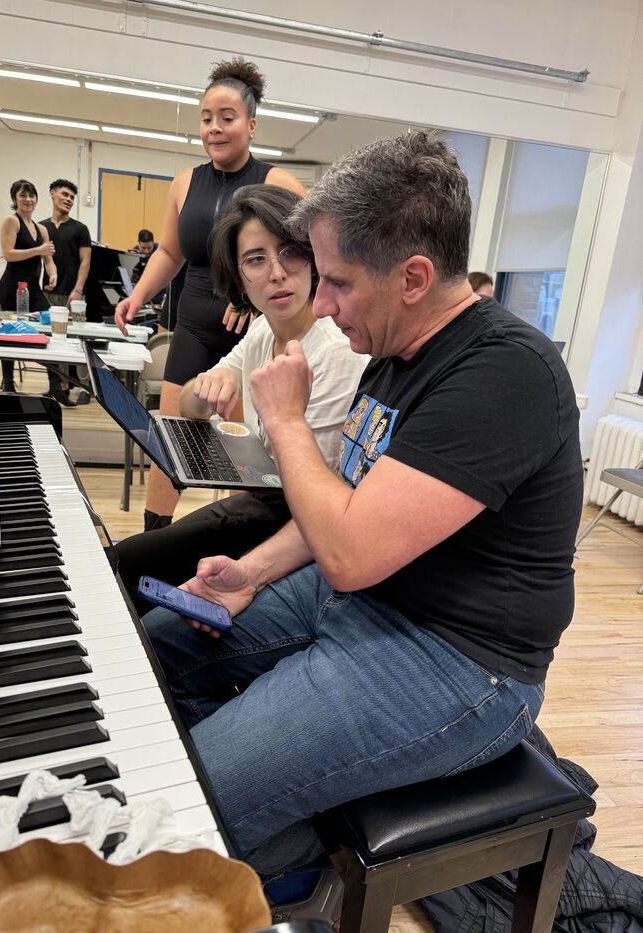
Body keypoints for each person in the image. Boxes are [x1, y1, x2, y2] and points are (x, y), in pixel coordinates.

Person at [141, 131, 584, 876]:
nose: (320, 302)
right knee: (163, 642)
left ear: (413, 276)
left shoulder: (505, 373)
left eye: (337, 281)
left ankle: (291, 876)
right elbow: (344, 505)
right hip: (370, 599)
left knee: (200, 796)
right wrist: (251, 574)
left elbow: (350, 554)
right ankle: (257, 821)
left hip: (459, 661)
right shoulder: (390, 350)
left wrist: (283, 419)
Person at [116, 184, 368, 612]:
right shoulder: (263, 331)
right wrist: (206, 387)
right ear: (238, 276)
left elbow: (319, 499)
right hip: (263, 500)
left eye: (290, 252)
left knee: (132, 570)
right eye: (256, 259)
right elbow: (191, 408)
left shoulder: (334, 351)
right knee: (125, 561)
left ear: (313, 259)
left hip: (296, 526)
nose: (276, 273)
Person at [114, 57, 307, 533]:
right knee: (171, 441)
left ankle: (248, 537)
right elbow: (170, 251)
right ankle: (153, 535)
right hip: (195, 325)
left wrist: (254, 296)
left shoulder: (277, 182)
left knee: (245, 453)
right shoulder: (185, 183)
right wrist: (137, 297)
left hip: (253, 333)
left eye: (227, 117)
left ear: (251, 124)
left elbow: (310, 253)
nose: (215, 128)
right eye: (206, 119)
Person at [0, 180, 56, 391]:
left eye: (31, 195)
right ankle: (8, 381)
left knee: (50, 326)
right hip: (11, 284)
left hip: (33, 286)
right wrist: (38, 250)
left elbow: (48, 258)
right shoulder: (11, 221)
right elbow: (8, 254)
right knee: (11, 330)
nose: (28, 200)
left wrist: (53, 274)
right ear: (15, 198)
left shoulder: (42, 228)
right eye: (23, 195)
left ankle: (56, 386)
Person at [40, 178, 92, 406]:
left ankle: (84, 387)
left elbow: (85, 262)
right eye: (65, 194)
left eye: (72, 197)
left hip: (73, 295)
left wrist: (78, 290)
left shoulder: (80, 229)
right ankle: (58, 387)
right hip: (48, 293)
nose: (69, 199)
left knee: (76, 342)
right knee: (51, 341)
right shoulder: (42, 227)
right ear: (52, 194)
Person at [130, 228, 167, 307]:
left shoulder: (160, 251)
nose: (146, 251)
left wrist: (146, 257)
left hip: (160, 290)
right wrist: (135, 257)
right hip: (143, 291)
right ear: (139, 244)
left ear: (153, 243)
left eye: (149, 248)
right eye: (143, 248)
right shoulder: (134, 252)